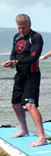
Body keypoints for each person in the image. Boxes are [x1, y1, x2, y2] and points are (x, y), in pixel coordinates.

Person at [2, 14, 47, 147]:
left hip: (32, 75)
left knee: (30, 105)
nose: (21, 30)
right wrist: (11, 63)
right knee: (15, 104)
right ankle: (24, 130)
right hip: (20, 75)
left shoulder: (36, 37)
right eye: (19, 28)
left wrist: (16, 61)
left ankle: (42, 137)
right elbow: (13, 53)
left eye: (23, 27)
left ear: (29, 25)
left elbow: (34, 57)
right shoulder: (16, 37)